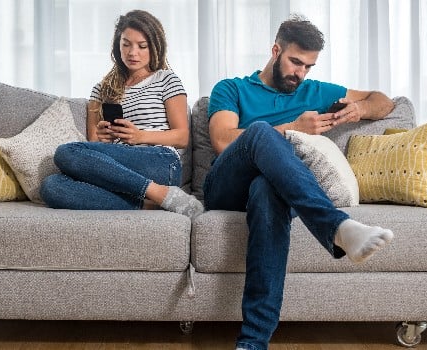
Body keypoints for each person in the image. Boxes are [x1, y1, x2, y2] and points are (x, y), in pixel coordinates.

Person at [204, 15, 396, 350]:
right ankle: (337, 226)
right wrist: (292, 127)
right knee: (260, 132)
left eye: (308, 66)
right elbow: (222, 141)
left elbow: (385, 101)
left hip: (275, 188)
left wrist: (359, 108)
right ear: (275, 51)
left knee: (267, 191)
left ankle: (252, 343)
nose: (301, 73)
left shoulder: (315, 91)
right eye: (295, 62)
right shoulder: (231, 88)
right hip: (225, 187)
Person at [40, 10, 203, 219]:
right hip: (118, 169)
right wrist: (103, 137)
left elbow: (181, 137)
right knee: (51, 186)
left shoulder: (166, 79)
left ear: (155, 47)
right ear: (118, 45)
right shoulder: (101, 90)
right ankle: (150, 203)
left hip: (160, 162)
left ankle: (158, 191)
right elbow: (93, 143)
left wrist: (140, 136)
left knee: (66, 152)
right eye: (126, 44)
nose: (132, 52)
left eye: (142, 46)